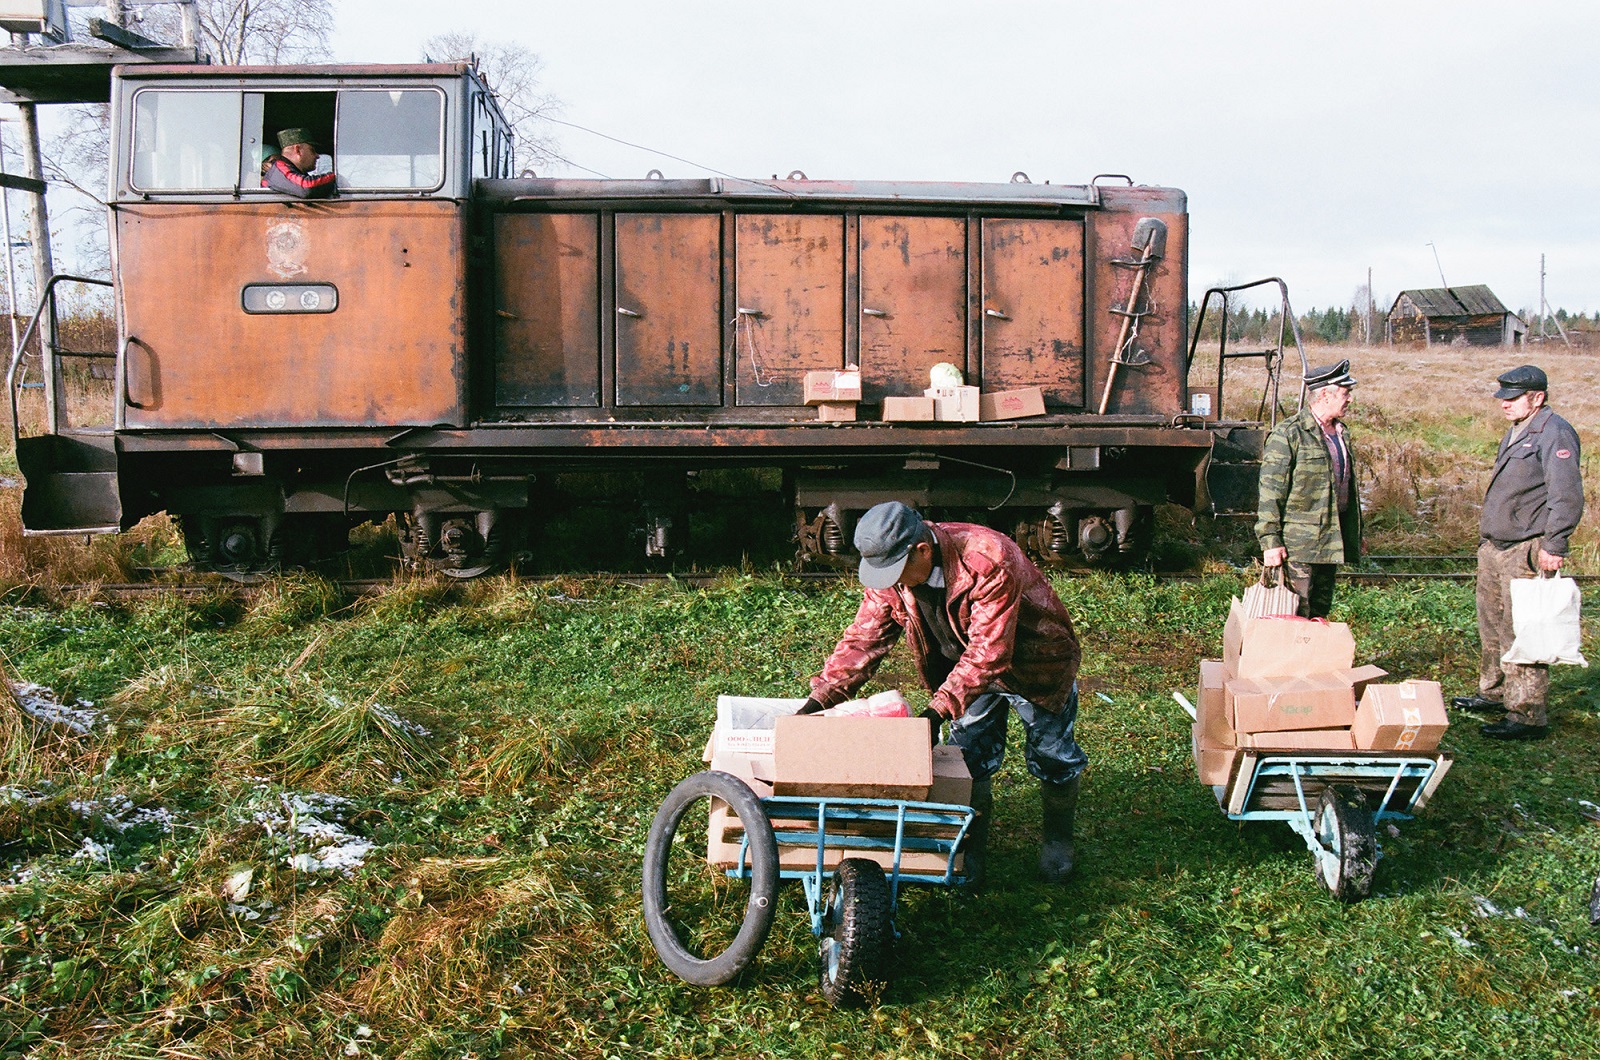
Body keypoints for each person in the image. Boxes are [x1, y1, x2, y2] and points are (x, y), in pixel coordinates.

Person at [799, 501, 1087, 885]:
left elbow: (989, 652)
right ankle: (971, 851)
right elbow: (864, 639)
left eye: (896, 573)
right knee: (969, 759)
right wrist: (818, 699)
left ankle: (1058, 841)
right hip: (966, 671)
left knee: (1052, 755)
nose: (893, 583)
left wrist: (936, 712)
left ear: (922, 550)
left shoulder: (988, 558)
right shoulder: (893, 576)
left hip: (1036, 663)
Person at [1450, 365, 1584, 741]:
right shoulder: (1519, 429)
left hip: (1525, 548)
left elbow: (1566, 495)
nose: (1504, 405)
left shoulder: (1554, 432)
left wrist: (1554, 544)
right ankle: (1494, 693)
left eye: (1512, 398)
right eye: (1502, 398)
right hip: (1495, 546)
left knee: (1522, 630)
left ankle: (1526, 714)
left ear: (1537, 398)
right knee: (1492, 624)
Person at [1254, 359, 1361, 618]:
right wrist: (1270, 541)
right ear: (1325, 395)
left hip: (1329, 543)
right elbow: (1270, 492)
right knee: (1292, 616)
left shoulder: (1340, 434)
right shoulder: (1289, 434)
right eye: (1345, 393)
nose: (1350, 399)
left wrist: (1355, 532)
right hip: (1298, 547)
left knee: (1318, 616)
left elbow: (1345, 488)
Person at [260, 127, 336, 198]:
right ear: (298, 150)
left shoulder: (289, 171)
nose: (317, 156)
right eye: (312, 150)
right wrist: (336, 177)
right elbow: (306, 187)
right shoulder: (278, 169)